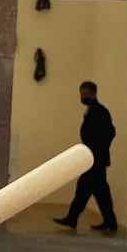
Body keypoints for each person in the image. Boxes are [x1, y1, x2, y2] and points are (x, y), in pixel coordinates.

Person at [53, 80, 118, 234]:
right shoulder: (91, 110)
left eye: (86, 94)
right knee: (100, 191)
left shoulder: (100, 111)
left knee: (84, 189)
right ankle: (110, 222)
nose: (83, 97)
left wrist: (97, 149)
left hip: (95, 159)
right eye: (81, 94)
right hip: (94, 158)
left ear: (94, 93)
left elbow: (110, 132)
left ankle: (72, 218)